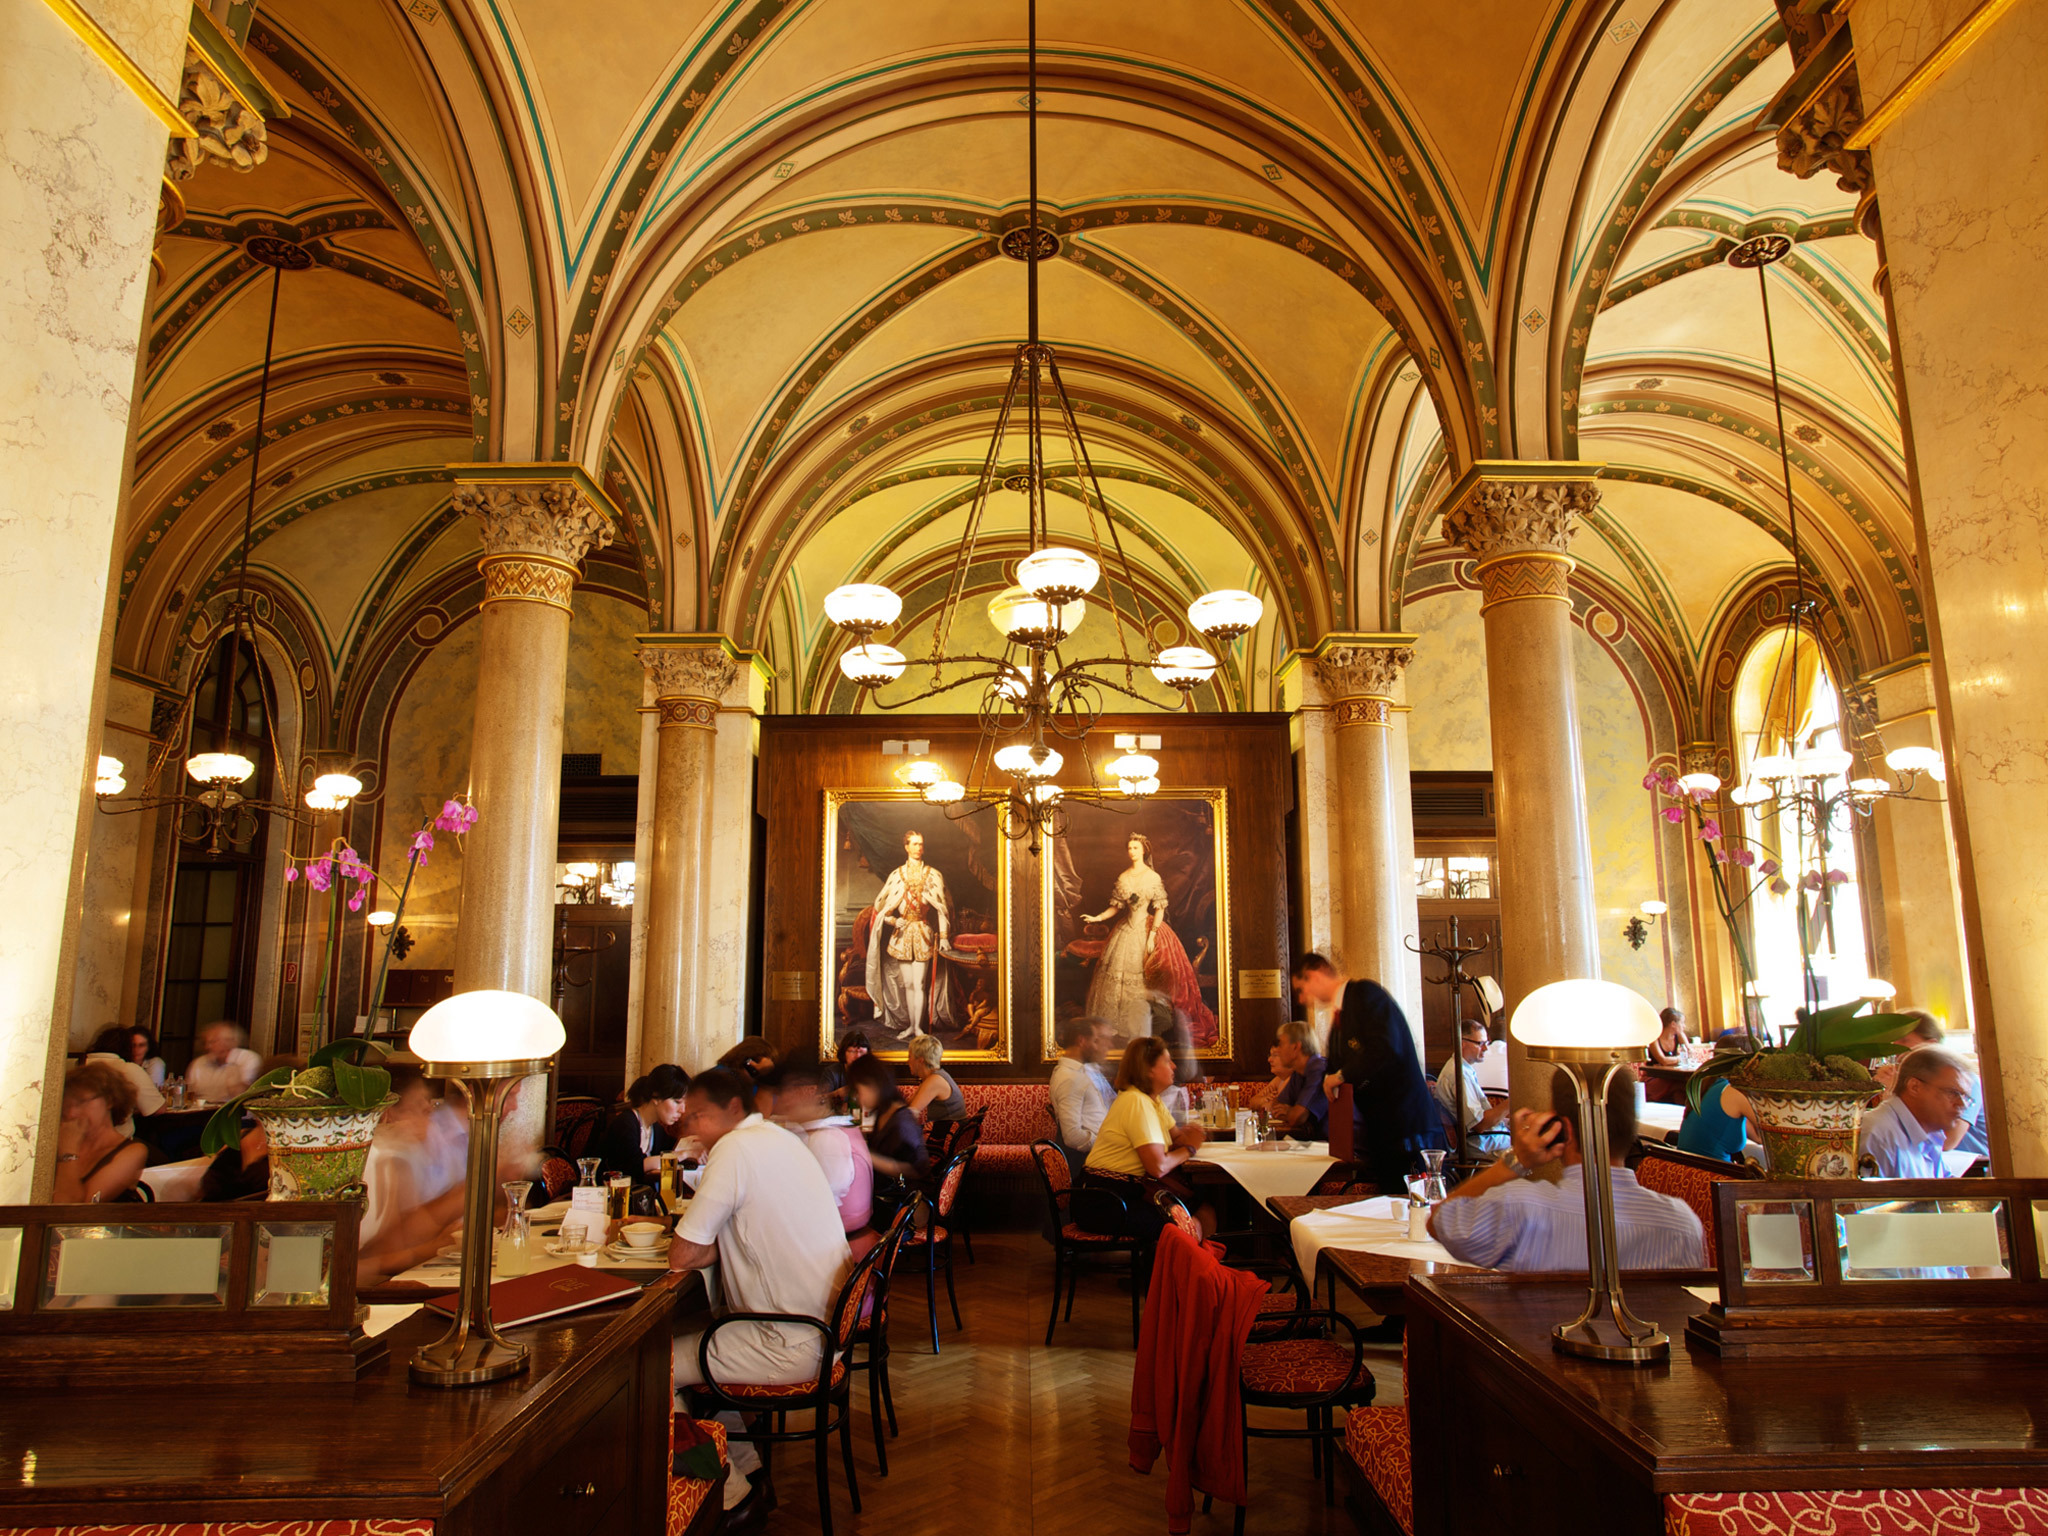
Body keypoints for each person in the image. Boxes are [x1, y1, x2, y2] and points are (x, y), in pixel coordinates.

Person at [668, 1067, 853, 1520]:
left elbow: (682, 1255)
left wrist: (708, 1244)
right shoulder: (780, 1138)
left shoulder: (734, 1149)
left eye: (699, 1116)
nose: (692, 1128)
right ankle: (749, 1474)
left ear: (733, 1109)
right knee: (701, 1343)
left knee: (654, 1366)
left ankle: (731, 1496)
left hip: (787, 1341)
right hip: (823, 1334)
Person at [1430, 1068, 1705, 1271]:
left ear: (1562, 1129)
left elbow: (1438, 1221)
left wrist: (1516, 1160)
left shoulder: (1519, 1207)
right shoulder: (1682, 1224)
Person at [1291, 954, 1445, 1193]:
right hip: (1380, 1134)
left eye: (1301, 989)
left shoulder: (1365, 994)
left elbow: (1385, 1047)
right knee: (1390, 1205)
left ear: (1316, 974)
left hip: (1406, 1128)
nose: (1302, 999)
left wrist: (1341, 1076)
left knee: (1414, 1205)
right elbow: (1334, 1070)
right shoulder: (1339, 1018)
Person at [1078, 833, 1218, 1046]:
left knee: (1146, 977)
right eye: (1129, 848)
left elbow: (1159, 908)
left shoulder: (1152, 877)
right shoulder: (1124, 877)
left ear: (1144, 850)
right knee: (1115, 977)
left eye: (1135, 848)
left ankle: (1143, 1025)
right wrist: (1097, 918)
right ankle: (1120, 1025)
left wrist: (1152, 934)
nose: (1132, 852)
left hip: (1146, 928)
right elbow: (1116, 907)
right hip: (1126, 930)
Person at [1080, 1037, 1208, 1238]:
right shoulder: (1136, 1101)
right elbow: (1158, 1167)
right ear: (1148, 1069)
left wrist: (1191, 1138)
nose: (1174, 1066)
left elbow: (1178, 1137)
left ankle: (1199, 1258)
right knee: (1187, 1225)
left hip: (1127, 1193)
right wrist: (1189, 1149)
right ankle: (1177, 1258)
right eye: (1166, 1061)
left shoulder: (1152, 1100)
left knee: (1204, 1207)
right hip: (1107, 1201)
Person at [772, 1058, 874, 1243]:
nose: (783, 1102)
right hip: (835, 1230)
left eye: (787, 1092)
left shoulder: (827, 1138)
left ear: (808, 1093)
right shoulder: (828, 1128)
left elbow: (820, 1203)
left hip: (839, 1240)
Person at [865, 828, 953, 1040]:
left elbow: (942, 908)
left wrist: (943, 937)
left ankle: (918, 1028)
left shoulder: (933, 875)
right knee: (908, 985)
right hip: (902, 935)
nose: (919, 848)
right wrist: (894, 920)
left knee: (920, 984)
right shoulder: (896, 875)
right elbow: (882, 910)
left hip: (923, 934)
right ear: (906, 847)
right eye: (914, 844)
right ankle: (911, 1027)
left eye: (921, 844)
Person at [1861, 1046, 1973, 1178]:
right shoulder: (1877, 1135)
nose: (1962, 1104)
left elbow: (1945, 1186)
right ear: (1914, 1087)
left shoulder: (1930, 1132)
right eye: (1953, 1093)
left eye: (1965, 1097)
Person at [849, 1053, 928, 1228]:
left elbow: (914, 1170)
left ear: (874, 1085)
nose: (858, 1098)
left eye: (858, 1090)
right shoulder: (885, 1112)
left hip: (907, 1208)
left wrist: (863, 1153)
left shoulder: (901, 1122)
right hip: (890, 1198)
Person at [53, 1062, 148, 1203]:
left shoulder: (133, 1152)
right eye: (67, 1105)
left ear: (109, 1100)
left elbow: (75, 1207)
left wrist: (68, 1151)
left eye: (81, 1102)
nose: (71, 1113)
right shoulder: (56, 1144)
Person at [596, 1063, 689, 1186]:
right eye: (677, 1102)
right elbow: (635, 1167)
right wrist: (684, 1154)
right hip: (610, 1193)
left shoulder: (655, 1128)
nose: (682, 1110)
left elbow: (671, 1148)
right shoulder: (625, 1123)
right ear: (656, 1097)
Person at [1436, 1020, 1510, 1155]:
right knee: (1530, 1144)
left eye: (1486, 1043)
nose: (1486, 1048)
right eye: (1480, 1043)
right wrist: (1511, 1102)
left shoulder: (1465, 1069)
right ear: (1462, 1043)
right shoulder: (1458, 1074)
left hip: (1486, 1137)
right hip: (1478, 1144)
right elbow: (1480, 1124)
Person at [1049, 1015, 1117, 1153]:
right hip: (1092, 1159)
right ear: (1082, 1041)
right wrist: (1112, 1145)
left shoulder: (1085, 1071)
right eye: (1095, 1041)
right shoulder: (1069, 1078)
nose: (1097, 1046)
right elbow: (1072, 1136)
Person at [85, 1025, 164, 1133]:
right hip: (115, 1137)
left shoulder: (81, 1064)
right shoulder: (128, 1069)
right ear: (127, 1048)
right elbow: (158, 1109)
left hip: (79, 1136)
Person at [1674, 1058, 1752, 1163]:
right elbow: (1767, 1132)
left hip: (1689, 1168)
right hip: (1712, 1171)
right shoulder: (1734, 1092)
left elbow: (1759, 1137)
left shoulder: (1711, 1086)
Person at [1269, 1019, 1330, 1139]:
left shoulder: (1318, 1068)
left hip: (1334, 1144)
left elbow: (1297, 1118)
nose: (1278, 1050)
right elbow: (1275, 1107)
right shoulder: (1298, 1072)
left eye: (1281, 1044)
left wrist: (1289, 1112)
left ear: (1296, 1047)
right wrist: (1292, 1112)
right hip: (1311, 1141)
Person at [187, 1021, 262, 1104]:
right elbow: (189, 1093)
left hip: (231, 1109)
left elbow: (240, 1094)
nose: (208, 1046)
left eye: (214, 1041)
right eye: (209, 1042)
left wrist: (230, 1064)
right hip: (202, 1108)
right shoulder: (198, 1063)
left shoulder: (248, 1058)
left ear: (234, 1042)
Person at [906, 1033, 967, 1129]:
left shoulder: (935, 1080)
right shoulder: (934, 1077)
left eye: (910, 1057)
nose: (907, 1061)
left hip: (947, 1136)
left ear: (920, 1060)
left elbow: (911, 1113)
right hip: (945, 1133)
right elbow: (907, 1106)